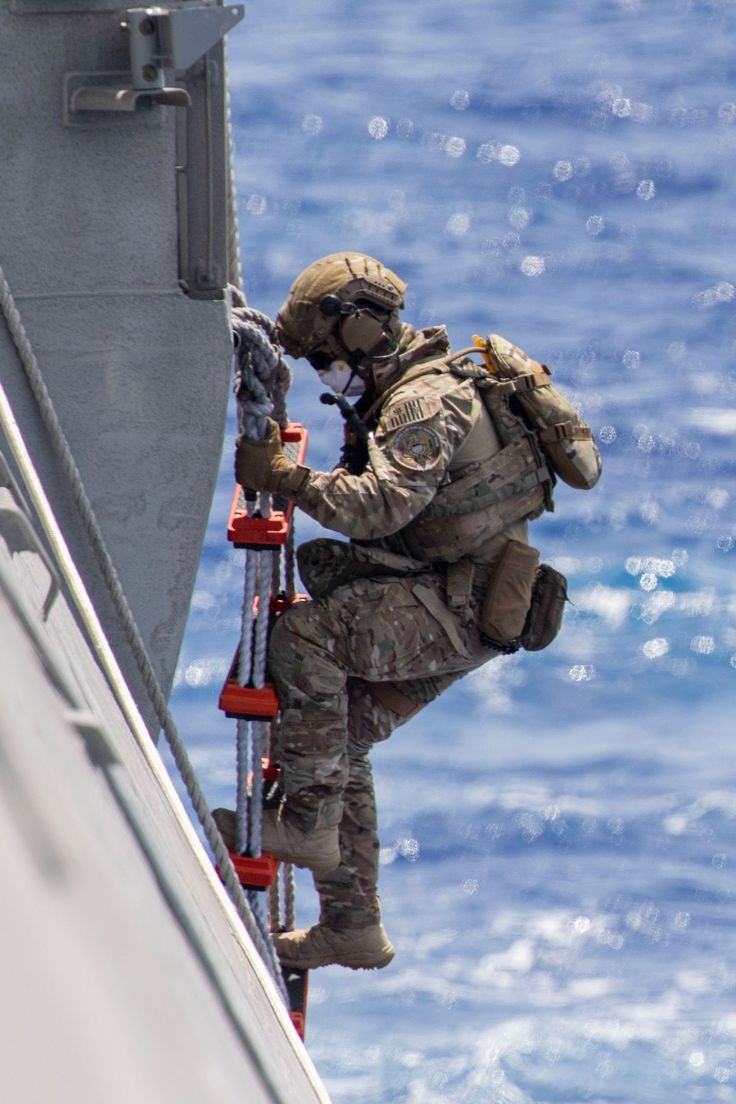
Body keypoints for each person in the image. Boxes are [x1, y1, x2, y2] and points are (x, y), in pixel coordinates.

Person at [213, 252, 601, 971]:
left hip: (459, 603)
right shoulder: (422, 388)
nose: (328, 372)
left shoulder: (422, 403)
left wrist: (286, 478)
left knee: (303, 640)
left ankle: (305, 824)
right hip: (467, 600)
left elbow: (384, 506)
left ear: (360, 333)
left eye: (327, 356)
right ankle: (353, 926)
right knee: (341, 740)